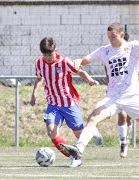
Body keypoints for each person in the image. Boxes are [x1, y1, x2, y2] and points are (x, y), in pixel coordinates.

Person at [60, 19, 139, 167]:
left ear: (122, 35)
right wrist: (77, 61)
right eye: (109, 37)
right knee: (93, 118)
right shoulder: (104, 50)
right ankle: (78, 151)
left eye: (113, 37)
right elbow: (84, 60)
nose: (111, 40)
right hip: (113, 98)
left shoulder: (133, 47)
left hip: (132, 98)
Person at [29, 37, 102, 167]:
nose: (48, 58)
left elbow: (79, 71)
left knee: (79, 134)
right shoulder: (39, 63)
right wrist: (34, 93)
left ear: (55, 50)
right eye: (45, 55)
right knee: (51, 131)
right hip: (53, 104)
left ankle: (91, 131)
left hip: (69, 103)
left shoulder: (64, 61)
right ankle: (74, 156)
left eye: (50, 54)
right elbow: (40, 78)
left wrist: (89, 80)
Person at [112, 32, 139, 158]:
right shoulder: (112, 54)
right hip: (116, 92)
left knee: (130, 118)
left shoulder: (135, 55)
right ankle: (123, 143)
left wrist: (129, 78)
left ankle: (125, 138)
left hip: (131, 92)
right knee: (122, 115)